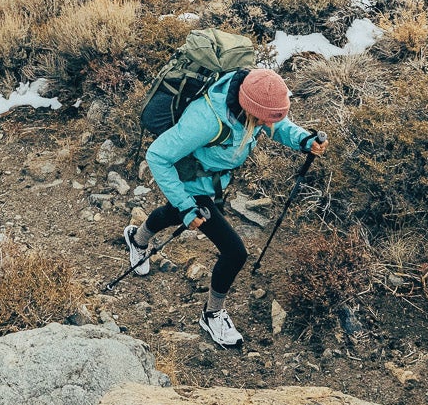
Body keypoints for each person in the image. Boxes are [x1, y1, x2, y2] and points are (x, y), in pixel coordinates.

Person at [130, 66, 325, 349]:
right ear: (250, 109)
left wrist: (303, 140)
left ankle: (137, 238)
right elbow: (157, 156)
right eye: (262, 120)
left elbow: (276, 123)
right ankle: (212, 314)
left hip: (211, 182)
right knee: (235, 252)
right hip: (193, 184)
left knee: (172, 214)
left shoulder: (254, 101)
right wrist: (187, 206)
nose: (267, 126)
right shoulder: (206, 120)